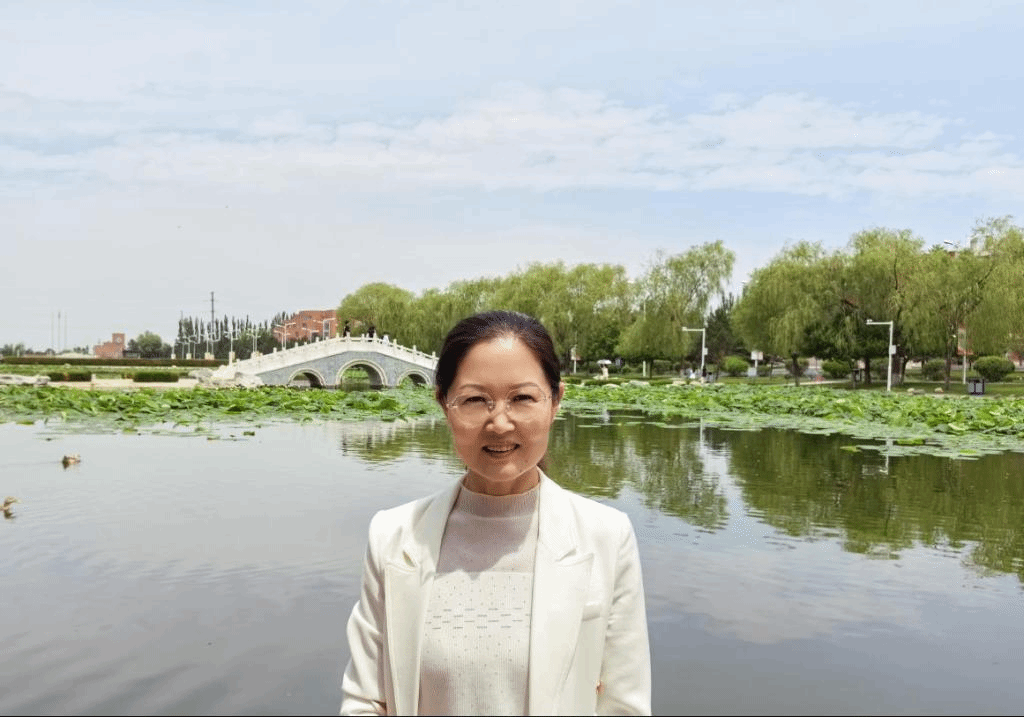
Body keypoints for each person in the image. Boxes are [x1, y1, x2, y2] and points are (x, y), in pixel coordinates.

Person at [340, 310, 651, 716]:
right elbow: (366, 701)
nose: (499, 423)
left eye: (522, 398)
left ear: (555, 401)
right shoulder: (393, 538)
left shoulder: (606, 536)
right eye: (475, 400)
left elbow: (624, 705)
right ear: (443, 403)